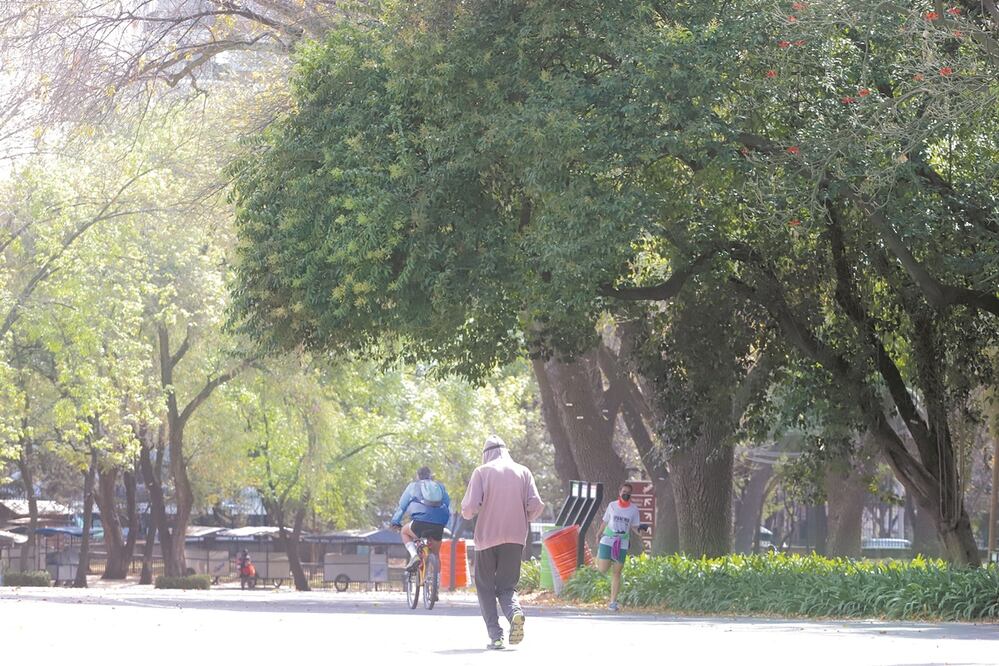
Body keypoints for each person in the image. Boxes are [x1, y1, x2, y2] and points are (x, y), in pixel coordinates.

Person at [461, 434, 545, 650]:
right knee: (507, 586)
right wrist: (521, 518)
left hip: (487, 539)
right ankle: (514, 612)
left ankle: (495, 636)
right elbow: (536, 505)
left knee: (485, 587)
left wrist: (469, 513)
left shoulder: (482, 472)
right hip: (515, 539)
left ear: (486, 453)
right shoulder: (523, 471)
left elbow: (469, 508)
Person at [594, 482, 644, 611]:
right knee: (603, 569)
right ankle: (601, 557)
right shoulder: (612, 505)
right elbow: (605, 521)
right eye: (624, 491)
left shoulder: (633, 509)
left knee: (617, 572)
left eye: (628, 492)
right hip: (608, 539)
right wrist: (598, 534)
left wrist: (640, 532)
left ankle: (612, 602)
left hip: (622, 542)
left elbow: (633, 526)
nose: (626, 494)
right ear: (620, 492)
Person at [390, 466, 451, 571]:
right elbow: (447, 503)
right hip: (438, 525)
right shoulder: (439, 486)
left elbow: (402, 506)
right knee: (436, 555)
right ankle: (435, 582)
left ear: (417, 476)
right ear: (431, 476)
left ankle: (414, 556)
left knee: (404, 532)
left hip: (419, 523)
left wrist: (395, 522)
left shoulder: (413, 486)